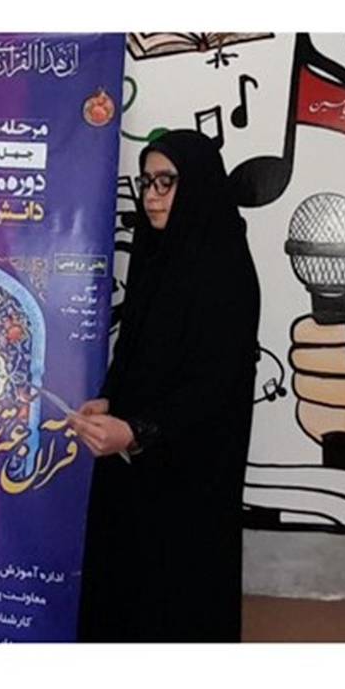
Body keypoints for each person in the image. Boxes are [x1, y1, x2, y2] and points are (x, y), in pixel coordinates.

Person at [70, 129, 261, 642]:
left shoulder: (226, 270)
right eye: (146, 182)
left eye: (166, 182)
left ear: (196, 185)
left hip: (191, 472)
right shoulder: (155, 257)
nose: (152, 196)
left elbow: (214, 385)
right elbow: (135, 351)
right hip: (133, 461)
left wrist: (137, 430)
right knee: (124, 588)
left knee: (177, 596)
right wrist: (111, 400)